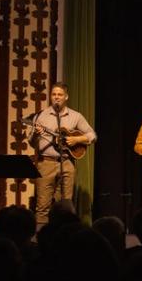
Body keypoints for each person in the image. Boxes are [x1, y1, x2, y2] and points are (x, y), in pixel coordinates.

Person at [30, 82, 96, 228]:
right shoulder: (40, 116)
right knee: (42, 206)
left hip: (67, 163)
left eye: (59, 95)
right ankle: (40, 240)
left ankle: (65, 237)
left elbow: (92, 135)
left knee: (66, 205)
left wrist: (76, 139)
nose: (56, 97)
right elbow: (32, 143)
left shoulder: (75, 116)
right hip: (45, 163)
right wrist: (35, 134)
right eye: (54, 94)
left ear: (66, 97)